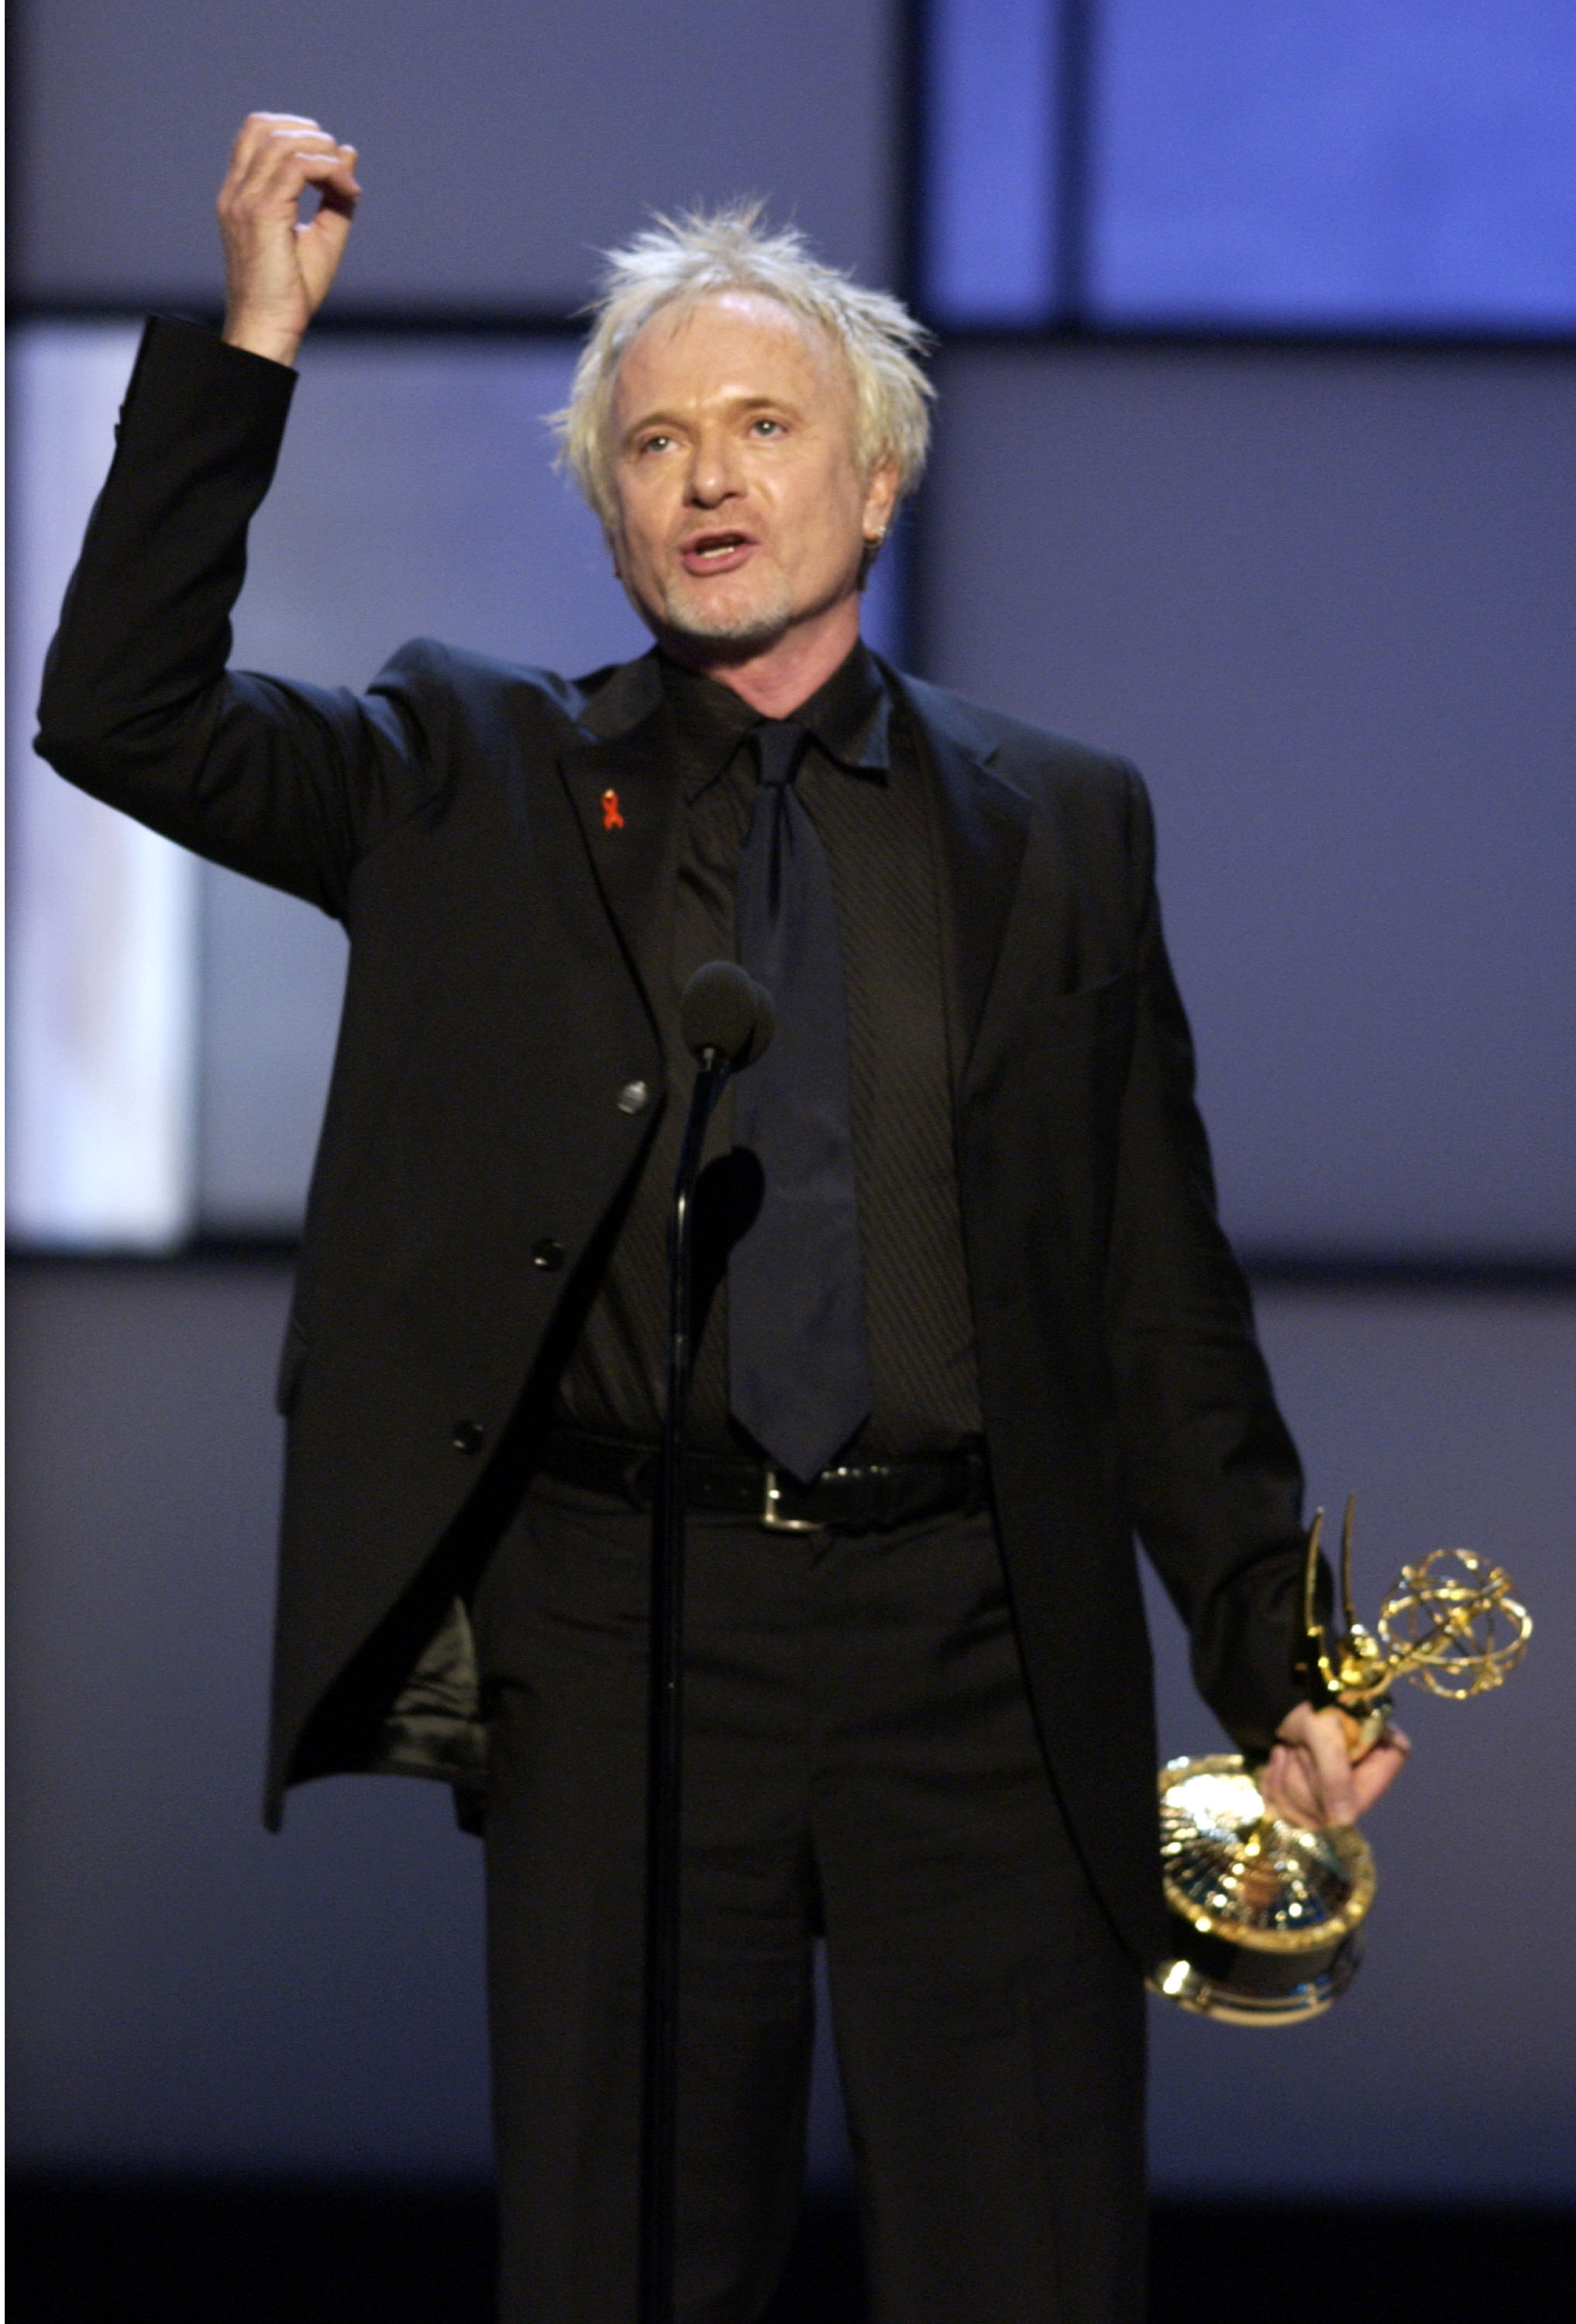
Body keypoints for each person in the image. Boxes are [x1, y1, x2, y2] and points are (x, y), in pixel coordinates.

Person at [38, 115, 1406, 2324]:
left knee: (1029, 2265)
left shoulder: (1056, 824)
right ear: (604, 520)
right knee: (620, 2267)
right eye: (651, 444)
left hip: (976, 1640)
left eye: (761, 426)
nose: (703, 477)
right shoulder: (463, 775)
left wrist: (1276, 1655)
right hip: (622, 1636)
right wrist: (252, 347)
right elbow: (120, 713)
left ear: (876, 479)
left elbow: (1150, 1286)